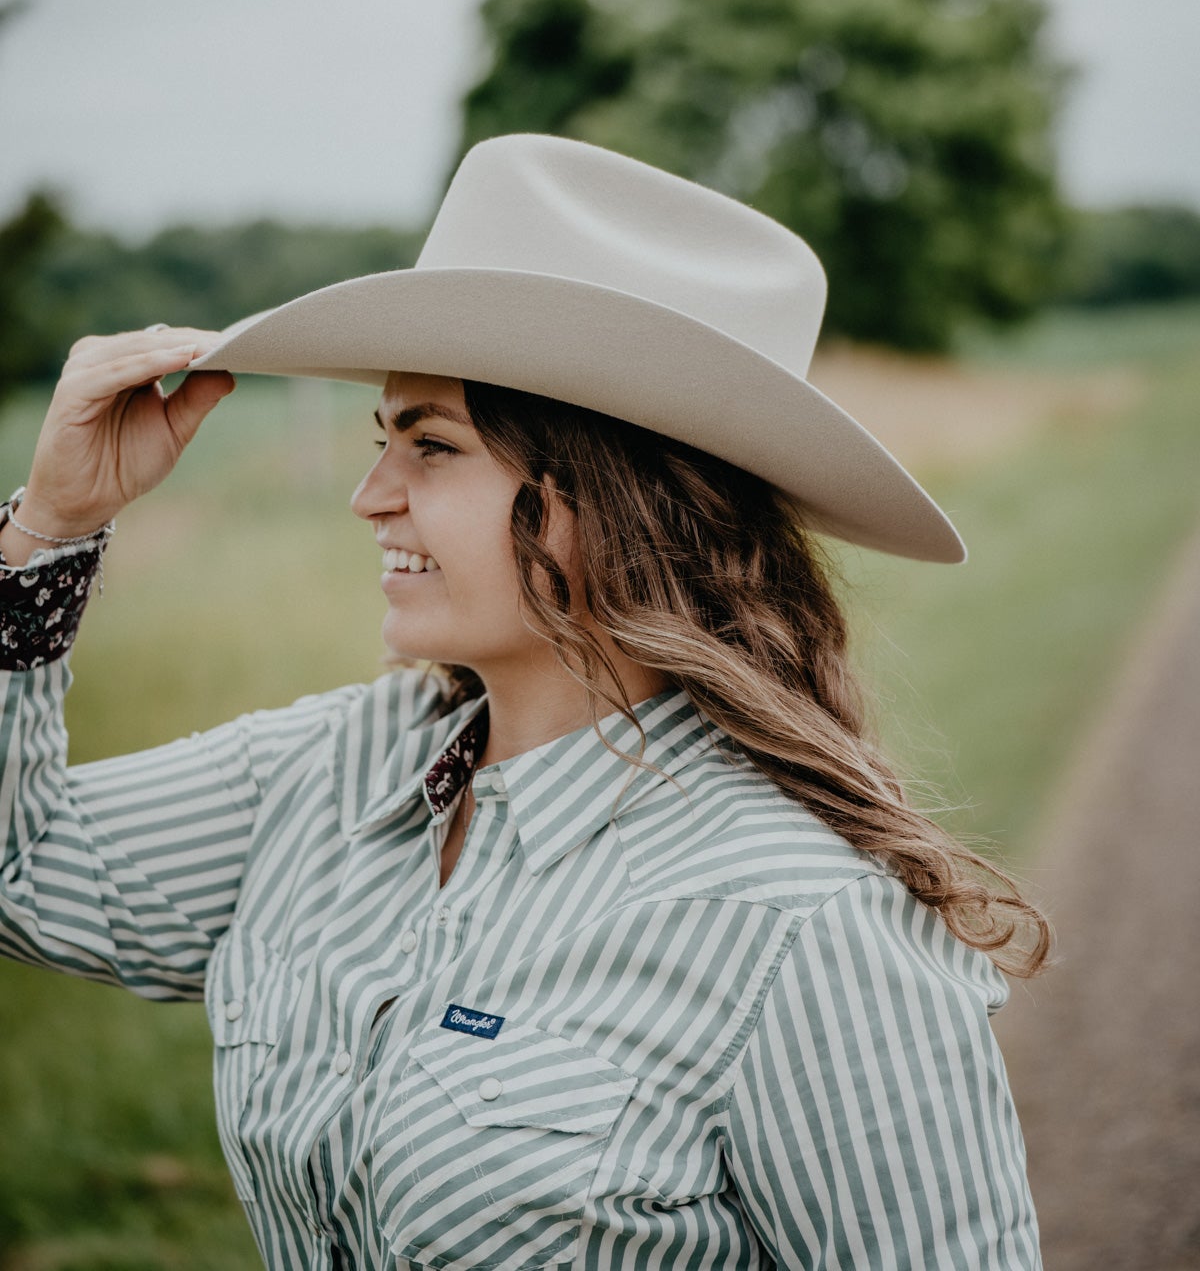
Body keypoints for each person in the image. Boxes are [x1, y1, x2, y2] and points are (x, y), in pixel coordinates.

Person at [0, 133, 1046, 1270]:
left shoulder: (801, 927)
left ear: (612, 497)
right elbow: (23, 865)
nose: (370, 496)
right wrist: (48, 531)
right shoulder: (327, 773)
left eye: (431, 445)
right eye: (380, 439)